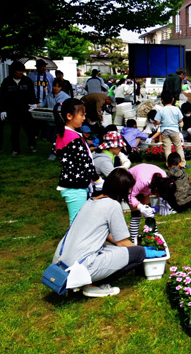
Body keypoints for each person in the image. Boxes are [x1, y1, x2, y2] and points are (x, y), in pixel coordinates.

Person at [51, 168, 147, 298]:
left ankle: (85, 281)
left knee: (115, 249)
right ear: (122, 190)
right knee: (139, 253)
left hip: (60, 263)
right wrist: (145, 252)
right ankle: (92, 285)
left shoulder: (90, 201)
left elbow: (106, 234)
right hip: (80, 268)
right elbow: (122, 242)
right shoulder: (112, 205)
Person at [54, 98, 103, 223]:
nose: (84, 118)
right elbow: (85, 162)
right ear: (69, 116)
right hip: (75, 186)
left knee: (80, 221)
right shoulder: (72, 138)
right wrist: (97, 180)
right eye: (81, 115)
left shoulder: (65, 134)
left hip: (76, 184)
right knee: (77, 223)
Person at [127, 164, 176, 243]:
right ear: (157, 189)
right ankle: (133, 242)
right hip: (130, 184)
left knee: (150, 214)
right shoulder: (143, 181)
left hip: (146, 187)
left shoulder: (163, 179)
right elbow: (130, 196)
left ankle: (155, 238)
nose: (159, 197)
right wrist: (139, 206)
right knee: (136, 214)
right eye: (160, 195)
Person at [0, 61, 37, 155]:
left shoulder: (27, 81)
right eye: (18, 71)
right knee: (14, 131)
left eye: (22, 71)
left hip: (25, 110)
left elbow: (31, 94)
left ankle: (32, 144)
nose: (21, 73)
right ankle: (15, 149)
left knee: (29, 129)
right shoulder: (7, 81)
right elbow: (3, 97)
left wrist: (33, 104)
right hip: (12, 111)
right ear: (13, 71)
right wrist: (3, 110)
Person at [154, 90, 186, 166]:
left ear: (162, 100)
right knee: (178, 147)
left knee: (167, 149)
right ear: (173, 99)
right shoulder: (176, 109)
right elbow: (180, 119)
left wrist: (162, 122)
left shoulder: (161, 110)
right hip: (174, 131)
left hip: (164, 131)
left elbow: (157, 121)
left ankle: (170, 164)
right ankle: (182, 163)